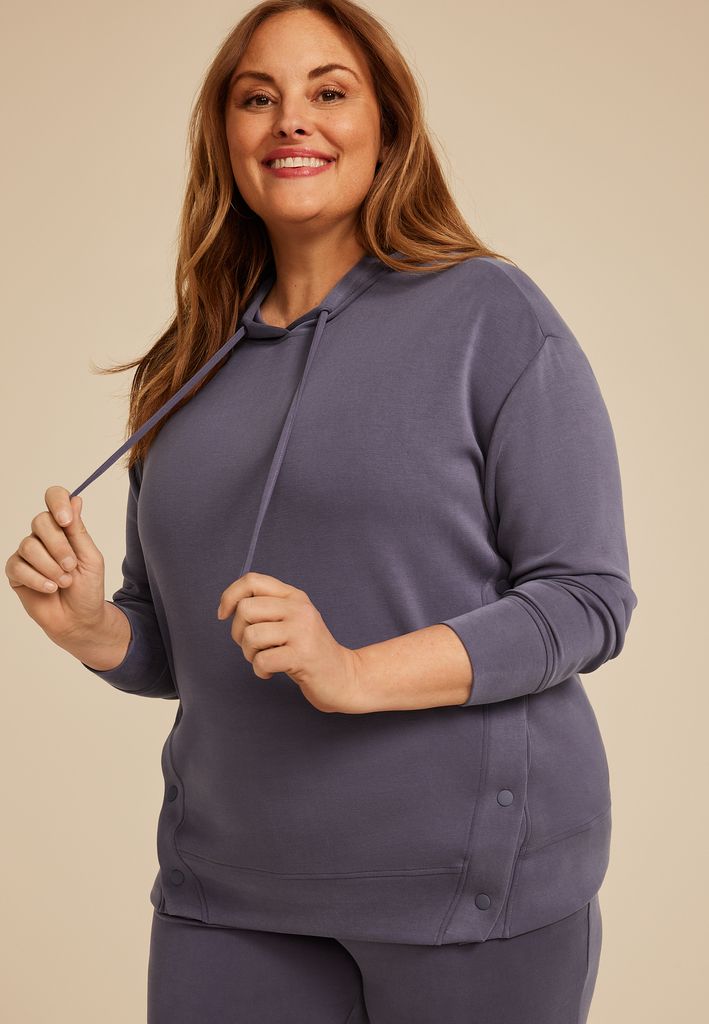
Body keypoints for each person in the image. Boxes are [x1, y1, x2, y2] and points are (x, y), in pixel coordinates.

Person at [6, 1, 637, 1021]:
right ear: (226, 137)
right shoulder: (184, 365)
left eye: (328, 91)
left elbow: (585, 599)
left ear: (386, 128)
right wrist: (94, 631)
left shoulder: (491, 315)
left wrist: (354, 671)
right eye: (258, 98)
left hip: (465, 893)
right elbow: (184, 643)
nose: (291, 118)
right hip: (228, 891)